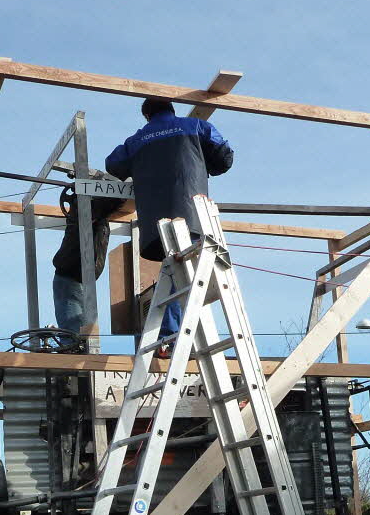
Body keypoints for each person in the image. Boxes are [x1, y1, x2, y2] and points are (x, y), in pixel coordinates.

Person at [106, 97, 233, 343]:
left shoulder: (137, 140)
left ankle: (170, 336)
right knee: (195, 276)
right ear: (172, 109)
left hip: (157, 228)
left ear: (146, 116)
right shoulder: (196, 126)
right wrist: (202, 162)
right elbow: (225, 158)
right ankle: (192, 337)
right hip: (194, 216)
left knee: (175, 274)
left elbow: (113, 164)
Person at [50, 183, 125, 336]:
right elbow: (114, 201)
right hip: (70, 278)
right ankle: (74, 350)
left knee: (81, 332)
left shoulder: (91, 214)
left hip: (77, 279)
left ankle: (77, 350)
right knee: (76, 333)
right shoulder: (83, 207)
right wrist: (128, 185)